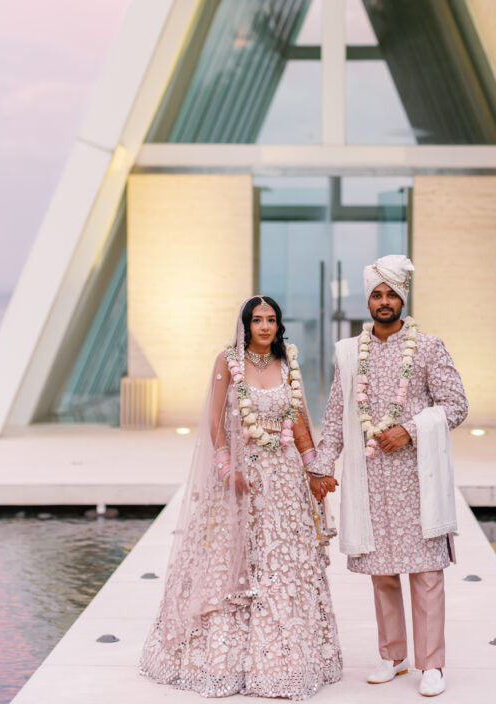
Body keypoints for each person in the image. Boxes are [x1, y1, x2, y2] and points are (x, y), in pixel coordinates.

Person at [140, 295, 342, 699]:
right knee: (236, 560)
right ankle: (225, 661)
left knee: (282, 564)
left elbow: (299, 422)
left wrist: (315, 469)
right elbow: (214, 422)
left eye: (271, 320)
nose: (264, 327)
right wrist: (227, 467)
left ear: (279, 324)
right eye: (257, 320)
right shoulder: (227, 361)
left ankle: (285, 660)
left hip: (284, 483)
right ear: (245, 325)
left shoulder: (289, 363)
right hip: (240, 481)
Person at [308, 255, 468, 699]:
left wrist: (411, 431)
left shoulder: (429, 347)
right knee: (382, 573)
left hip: (417, 479)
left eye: (391, 294)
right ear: (368, 301)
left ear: (403, 298)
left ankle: (431, 663)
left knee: (425, 572)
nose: (384, 301)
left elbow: (456, 404)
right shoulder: (349, 353)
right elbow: (338, 417)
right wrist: (320, 466)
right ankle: (393, 657)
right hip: (370, 480)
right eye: (377, 295)